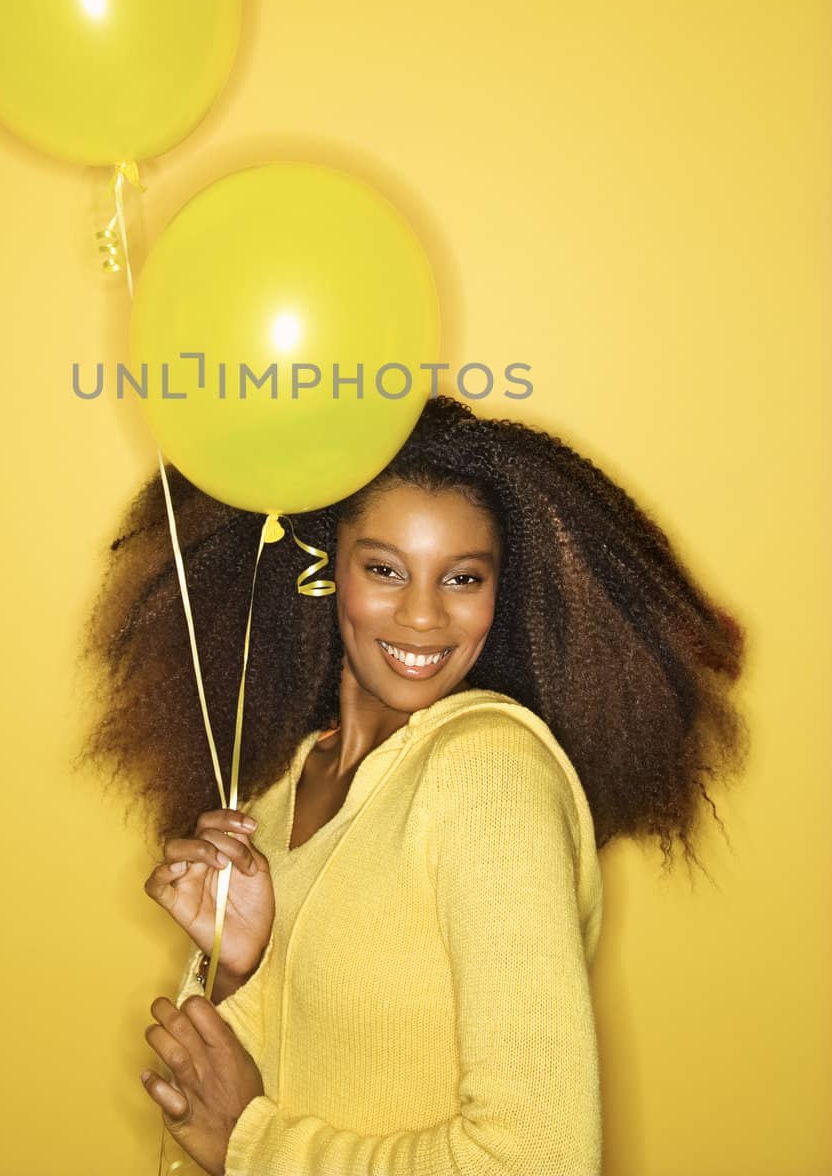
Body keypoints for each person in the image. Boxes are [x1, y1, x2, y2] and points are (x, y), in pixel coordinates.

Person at [76, 395, 748, 1175]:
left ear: (500, 595)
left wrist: (251, 1147)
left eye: (461, 578)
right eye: (385, 569)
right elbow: (228, 1109)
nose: (423, 616)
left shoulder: (488, 772)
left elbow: (538, 1159)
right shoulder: (273, 794)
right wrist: (242, 965)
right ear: (328, 571)